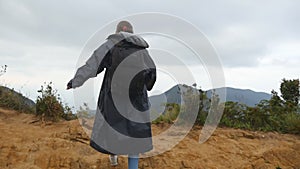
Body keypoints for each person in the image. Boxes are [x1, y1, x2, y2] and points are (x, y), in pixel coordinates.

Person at [67, 21, 156, 169]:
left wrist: (75, 81)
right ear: (132, 33)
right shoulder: (142, 49)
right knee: (134, 134)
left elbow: (93, 64)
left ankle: (113, 159)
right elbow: (152, 72)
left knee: (112, 129)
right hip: (136, 99)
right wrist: (147, 86)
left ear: (117, 31)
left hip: (113, 98)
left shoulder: (111, 44)